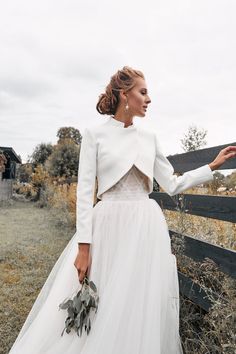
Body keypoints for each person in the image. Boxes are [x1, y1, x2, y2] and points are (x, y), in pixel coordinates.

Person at [9, 66, 236, 354]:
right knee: (103, 300)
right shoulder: (94, 134)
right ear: (123, 94)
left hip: (145, 229)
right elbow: (84, 193)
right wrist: (83, 247)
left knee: (138, 303)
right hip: (108, 227)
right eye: (143, 92)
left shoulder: (150, 138)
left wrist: (211, 167)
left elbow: (172, 184)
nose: (149, 99)